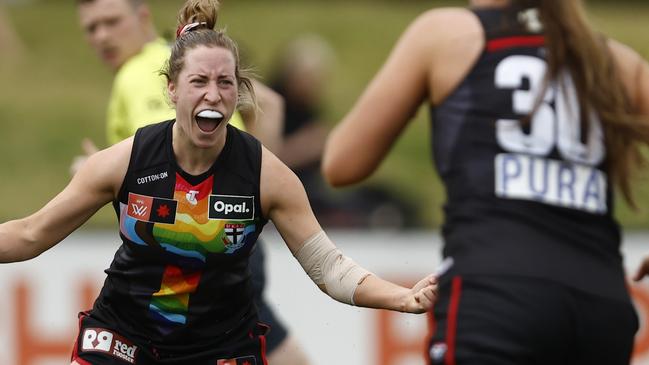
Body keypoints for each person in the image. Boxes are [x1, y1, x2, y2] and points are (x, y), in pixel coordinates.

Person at [0, 1, 438, 364]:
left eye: (225, 82)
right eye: (199, 81)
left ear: (238, 93)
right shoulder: (123, 161)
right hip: (124, 337)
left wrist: (403, 298)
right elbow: (30, 234)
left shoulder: (267, 175)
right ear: (172, 91)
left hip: (220, 349)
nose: (213, 94)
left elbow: (329, 269)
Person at [322, 0, 649, 364]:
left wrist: (424, 93)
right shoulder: (610, 59)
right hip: (601, 303)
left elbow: (341, 164)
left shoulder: (448, 34)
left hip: (497, 294)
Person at [74, 0, 303, 363]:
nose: (102, 37)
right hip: (227, 232)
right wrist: (254, 190)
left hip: (200, 241)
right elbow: (271, 104)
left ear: (143, 17)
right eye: (91, 28)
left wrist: (258, 185)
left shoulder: (143, 74)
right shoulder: (202, 57)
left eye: (112, 22)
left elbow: (164, 162)